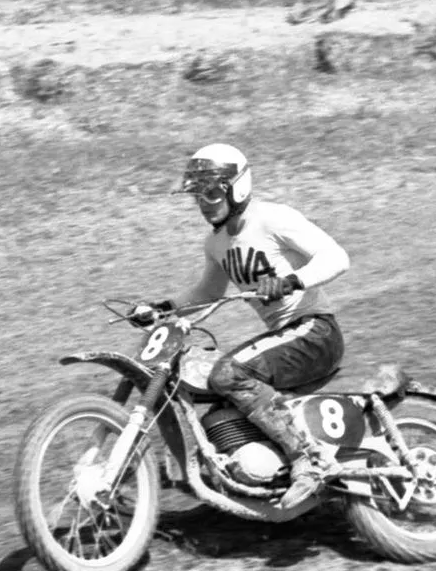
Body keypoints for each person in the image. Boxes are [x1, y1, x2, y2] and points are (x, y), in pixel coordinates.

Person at [134, 144, 351, 511]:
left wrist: (292, 281)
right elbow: (208, 293)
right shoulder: (216, 243)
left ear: (237, 187)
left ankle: (310, 459)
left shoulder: (272, 218)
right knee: (212, 386)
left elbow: (336, 257)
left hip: (314, 332)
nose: (204, 203)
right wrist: (162, 308)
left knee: (229, 373)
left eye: (212, 192)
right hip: (283, 337)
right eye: (197, 196)